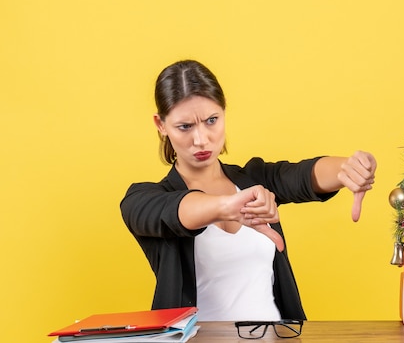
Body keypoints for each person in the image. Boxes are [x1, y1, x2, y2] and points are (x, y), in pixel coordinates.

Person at [120, 59, 377, 322]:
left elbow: (303, 175)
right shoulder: (143, 199)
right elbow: (171, 211)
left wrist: (348, 168)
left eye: (211, 120)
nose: (201, 139)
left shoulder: (254, 178)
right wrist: (227, 207)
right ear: (161, 125)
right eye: (185, 126)